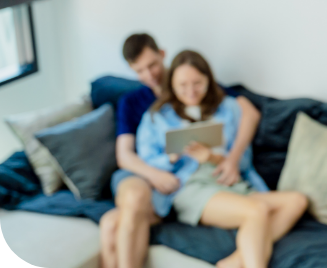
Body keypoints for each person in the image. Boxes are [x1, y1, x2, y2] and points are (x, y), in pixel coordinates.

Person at [99, 34, 262, 268]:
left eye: (152, 65)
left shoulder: (189, 81)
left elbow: (249, 112)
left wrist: (233, 159)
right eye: (140, 71)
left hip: (180, 174)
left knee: (111, 224)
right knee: (134, 199)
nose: (149, 75)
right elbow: (125, 155)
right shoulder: (133, 102)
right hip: (141, 171)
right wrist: (155, 175)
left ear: (162, 54)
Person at [136, 50, 307, 268]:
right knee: (257, 211)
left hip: (228, 181)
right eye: (182, 85)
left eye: (197, 83)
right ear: (172, 84)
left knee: (297, 201)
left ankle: (233, 262)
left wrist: (214, 158)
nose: (190, 91)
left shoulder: (228, 109)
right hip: (191, 187)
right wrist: (170, 158)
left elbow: (243, 162)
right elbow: (146, 161)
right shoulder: (157, 116)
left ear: (208, 80)